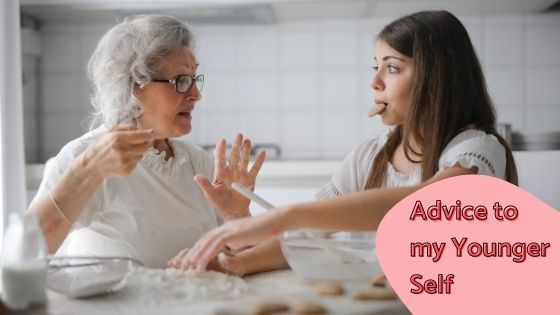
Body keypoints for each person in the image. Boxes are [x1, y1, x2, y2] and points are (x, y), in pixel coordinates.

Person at [168, 10, 518, 274]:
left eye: (392, 68)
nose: (375, 82)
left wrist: (287, 216)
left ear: (437, 76)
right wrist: (238, 262)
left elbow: (424, 205)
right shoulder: (369, 156)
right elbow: (315, 235)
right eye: (375, 67)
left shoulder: (477, 149)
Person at [27, 14, 265, 268]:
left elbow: (240, 259)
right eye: (181, 81)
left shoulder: (197, 162)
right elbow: (27, 250)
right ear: (133, 85)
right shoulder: (85, 156)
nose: (196, 94)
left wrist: (236, 216)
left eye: (194, 79)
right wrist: (88, 171)